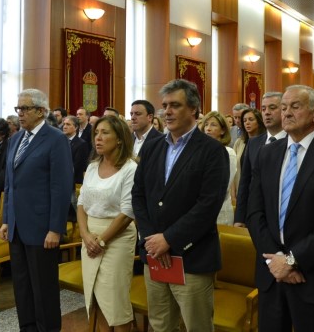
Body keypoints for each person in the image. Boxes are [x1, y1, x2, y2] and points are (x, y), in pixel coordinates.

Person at [247, 85, 314, 331]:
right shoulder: (266, 154)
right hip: (272, 276)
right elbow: (254, 213)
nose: (286, 113)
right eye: (283, 107)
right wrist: (277, 262)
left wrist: (292, 261)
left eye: (295, 107)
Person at [132, 79, 229, 331]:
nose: (167, 112)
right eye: (164, 106)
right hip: (154, 253)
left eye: (175, 105)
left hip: (192, 256)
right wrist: (152, 238)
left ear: (194, 109)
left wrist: (169, 239)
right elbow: (138, 195)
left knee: (196, 325)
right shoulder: (152, 147)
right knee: (160, 324)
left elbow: (208, 205)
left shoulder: (212, 150)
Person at [0, 89, 73, 331]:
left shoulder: (56, 139)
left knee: (44, 289)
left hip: (42, 228)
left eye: (25, 108)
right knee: (22, 285)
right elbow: (10, 184)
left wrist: (55, 228)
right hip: (17, 227)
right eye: (18, 108)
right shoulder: (15, 139)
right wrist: (7, 220)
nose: (20, 113)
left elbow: (61, 188)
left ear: (41, 111)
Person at [77, 115, 138, 331]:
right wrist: (85, 236)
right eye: (96, 133)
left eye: (105, 133)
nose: (98, 138)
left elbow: (127, 212)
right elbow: (81, 204)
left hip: (116, 237)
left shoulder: (130, 168)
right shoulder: (93, 166)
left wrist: (101, 240)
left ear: (120, 138)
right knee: (96, 299)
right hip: (90, 236)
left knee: (115, 301)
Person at [234, 91, 286, 227]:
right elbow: (245, 183)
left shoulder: (293, 142)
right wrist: (239, 218)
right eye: (263, 109)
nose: (267, 112)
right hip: (254, 217)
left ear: (284, 110)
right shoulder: (254, 143)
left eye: (272, 108)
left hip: (282, 217)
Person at [200, 111, 236, 226]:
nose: (208, 129)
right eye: (206, 125)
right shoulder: (200, 152)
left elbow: (223, 187)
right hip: (199, 211)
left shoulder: (228, 153)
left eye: (213, 125)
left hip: (220, 213)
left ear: (222, 130)